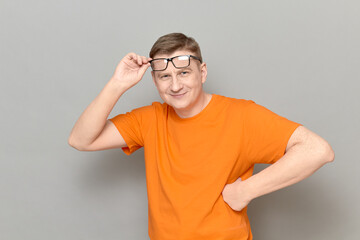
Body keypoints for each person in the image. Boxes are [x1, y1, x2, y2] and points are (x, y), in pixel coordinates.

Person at [68, 33, 334, 240]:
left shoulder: (241, 115)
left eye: (183, 73)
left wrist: (247, 190)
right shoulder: (150, 119)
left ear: (202, 72)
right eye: (164, 76)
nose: (174, 85)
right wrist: (118, 84)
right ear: (154, 82)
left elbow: (317, 150)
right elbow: (81, 140)